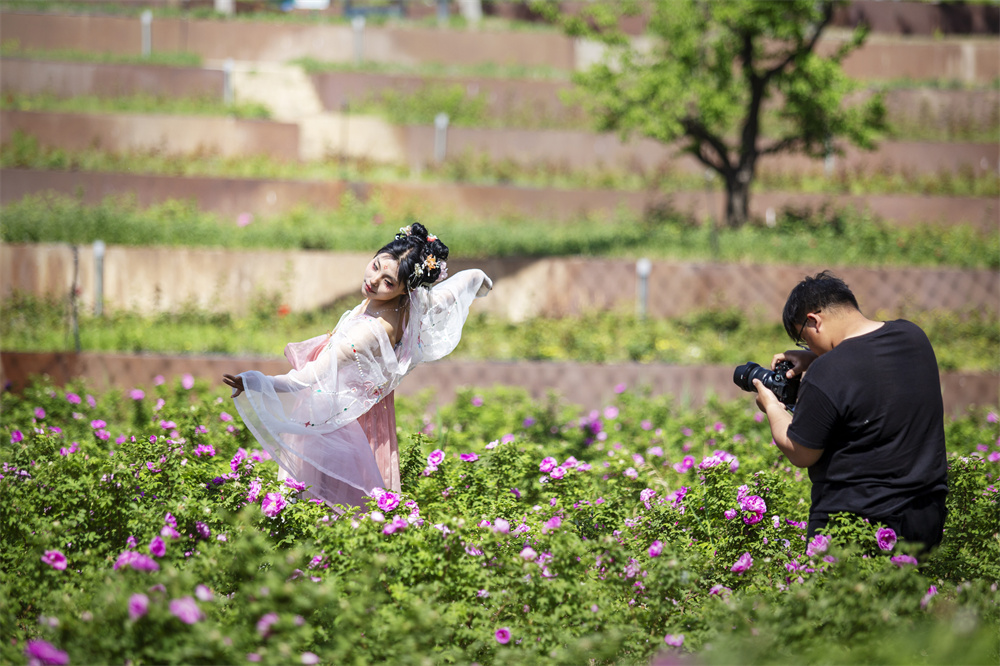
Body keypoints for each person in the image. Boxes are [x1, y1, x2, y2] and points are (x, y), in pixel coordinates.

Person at [223, 223, 492, 510]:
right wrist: (478, 279)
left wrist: (256, 382)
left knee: (332, 503)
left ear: (405, 289)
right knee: (359, 507)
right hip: (372, 416)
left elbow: (306, 379)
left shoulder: (368, 333)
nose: (374, 281)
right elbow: (452, 290)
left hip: (343, 422)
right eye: (375, 266)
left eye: (388, 282)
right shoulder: (412, 304)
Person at [752, 271, 948, 550]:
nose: (807, 347)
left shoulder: (828, 371)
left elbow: (801, 451)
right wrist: (815, 357)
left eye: (803, 340)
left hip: (857, 526)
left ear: (813, 321)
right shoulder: (913, 336)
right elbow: (870, 366)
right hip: (924, 516)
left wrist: (772, 405)